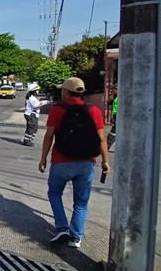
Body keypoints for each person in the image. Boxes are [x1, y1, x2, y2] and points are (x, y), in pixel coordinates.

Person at [38, 77, 110, 249]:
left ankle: (62, 228)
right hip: (86, 164)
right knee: (81, 203)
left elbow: (49, 136)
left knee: (54, 193)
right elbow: (102, 139)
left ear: (65, 92)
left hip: (61, 162)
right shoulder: (94, 110)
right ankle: (76, 237)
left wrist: (43, 158)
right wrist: (106, 161)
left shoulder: (57, 110)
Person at [107, 86, 118, 150]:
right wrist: (111, 95)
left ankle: (107, 145)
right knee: (115, 131)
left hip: (118, 115)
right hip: (115, 115)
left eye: (113, 89)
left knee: (113, 131)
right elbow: (108, 102)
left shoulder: (121, 96)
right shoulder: (114, 97)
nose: (112, 91)